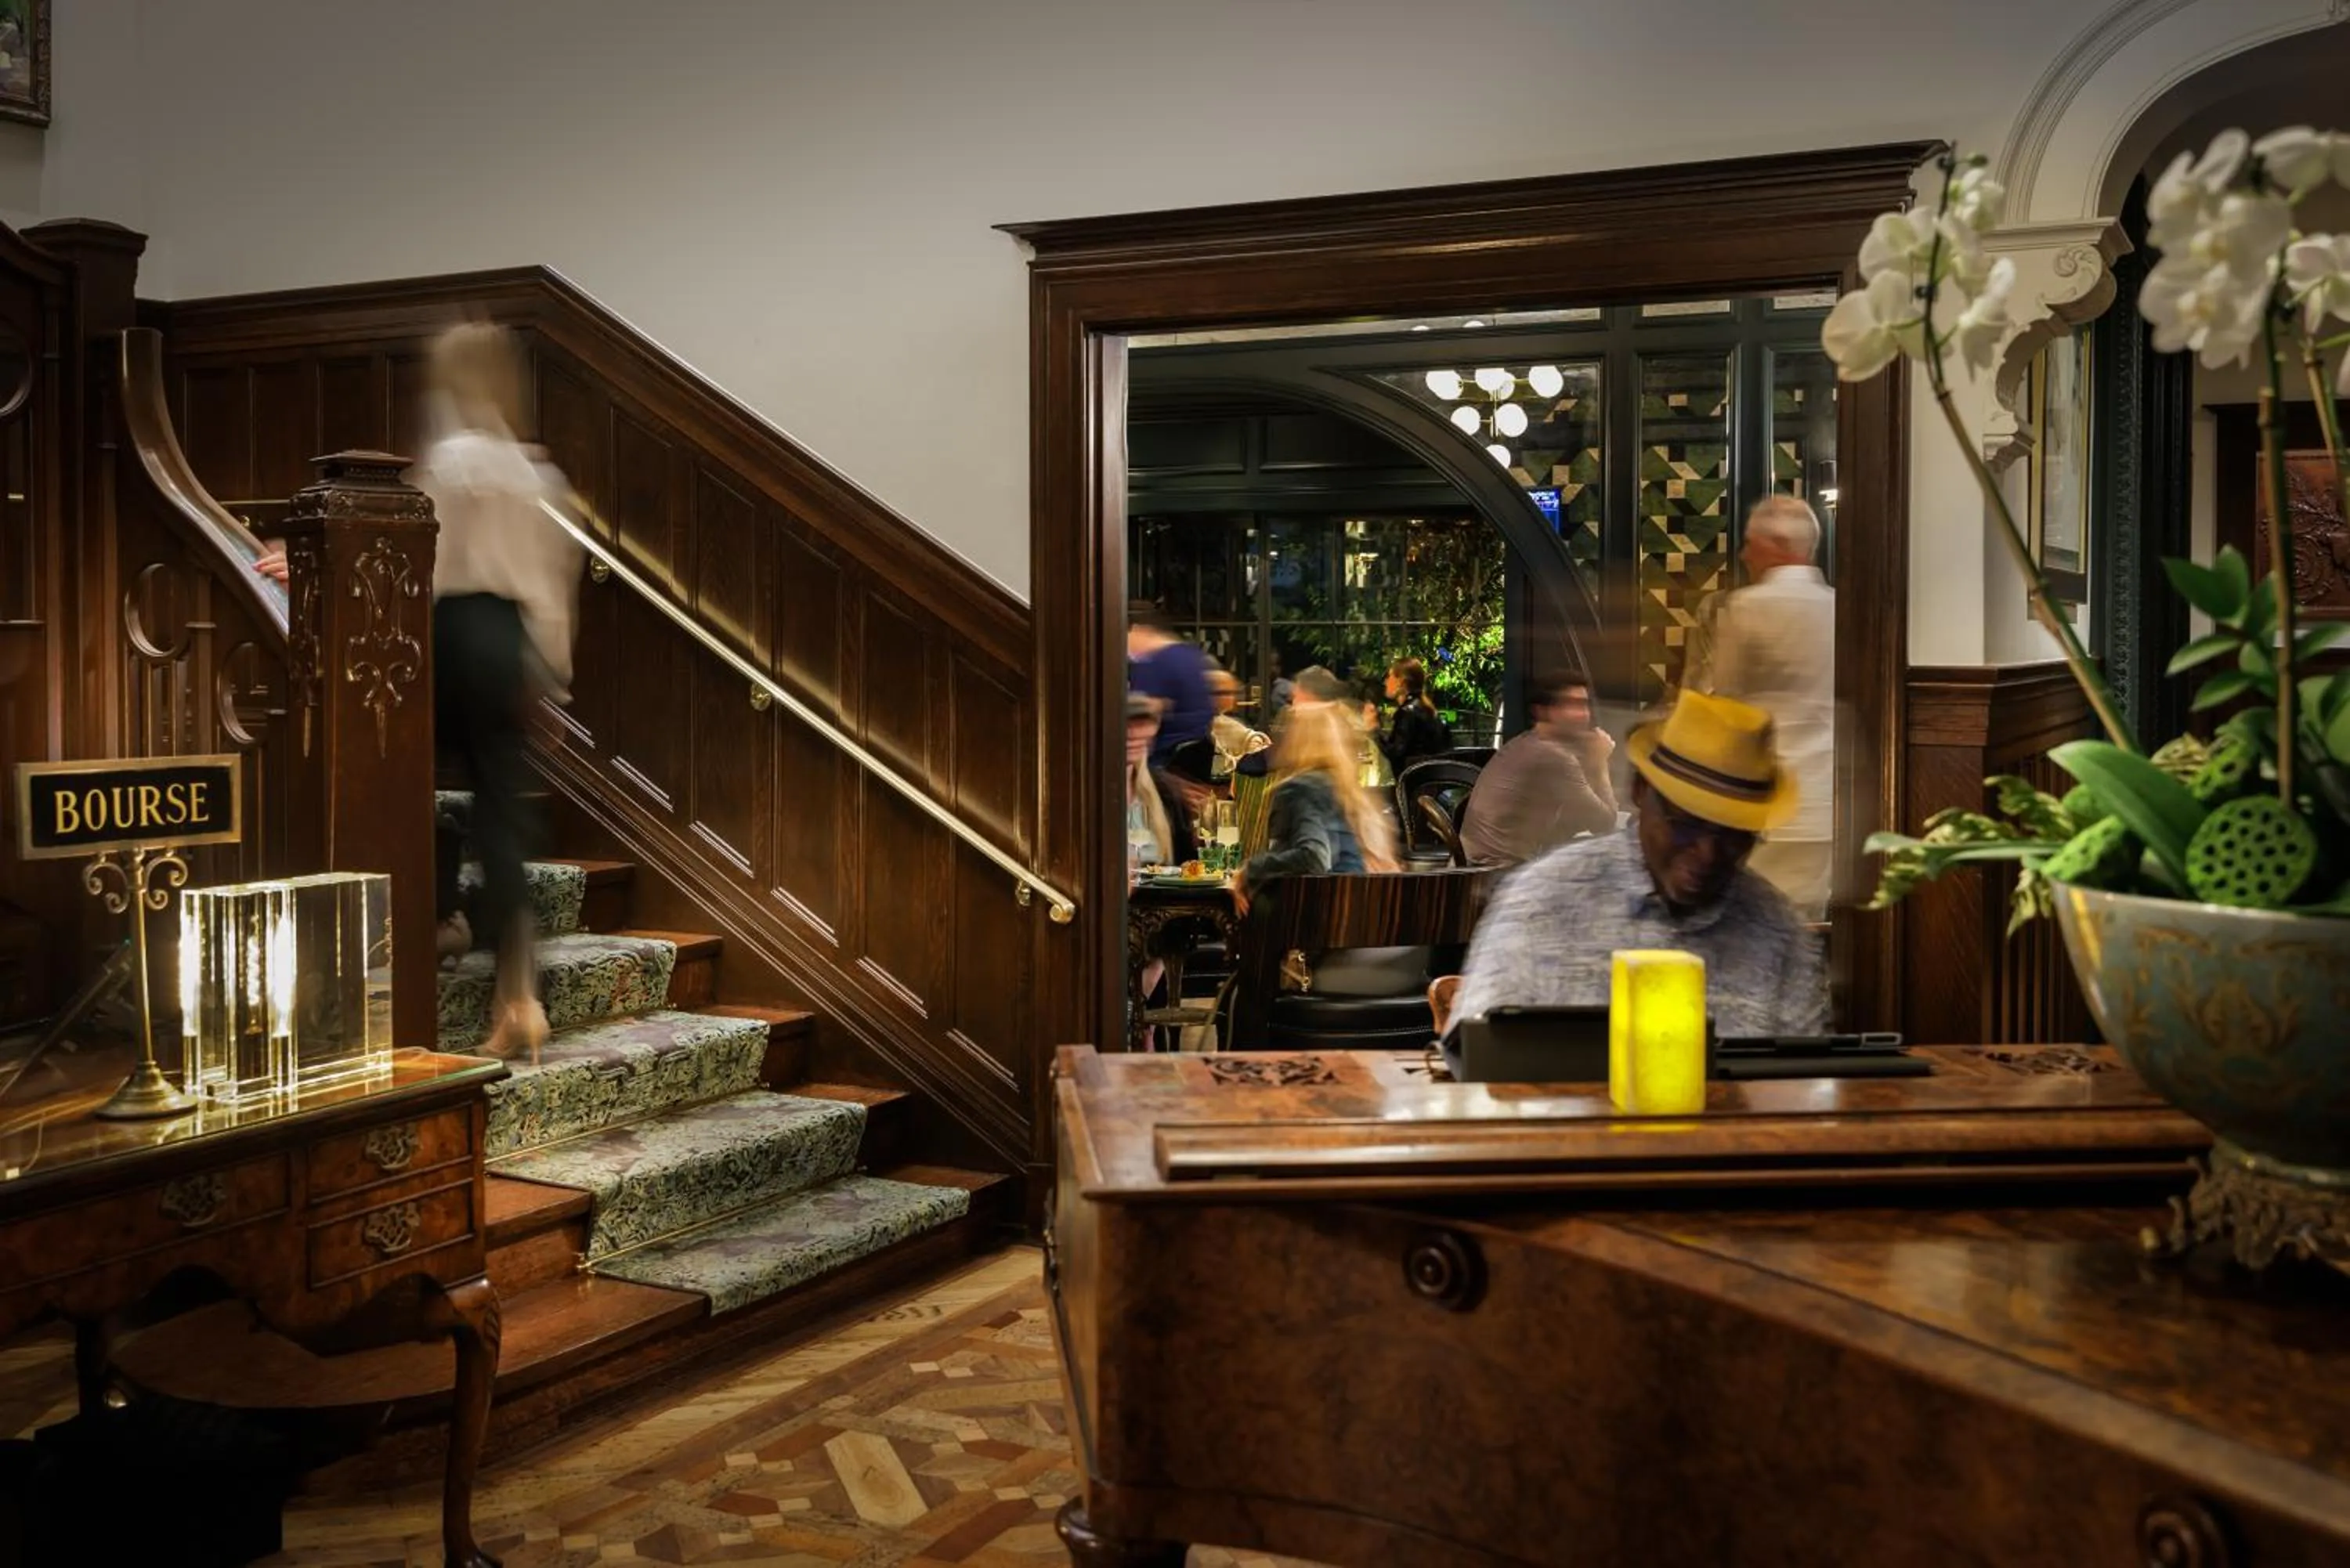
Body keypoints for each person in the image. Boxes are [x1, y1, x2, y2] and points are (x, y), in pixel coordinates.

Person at [1446, 689, 1827, 1038]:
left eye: (1734, 835)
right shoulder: (1543, 901)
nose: (1708, 854)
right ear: (1642, 793)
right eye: (1686, 825)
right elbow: (1476, 1059)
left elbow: (1802, 1086)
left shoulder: (1779, 932)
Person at [414, 323, 581, 1060]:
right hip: (509, 638)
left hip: (453, 626)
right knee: (499, 816)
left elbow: (422, 558)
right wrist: (547, 680)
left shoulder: (451, 463)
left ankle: (445, 915)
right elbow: (553, 589)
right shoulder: (537, 473)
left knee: (404, 781)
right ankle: (519, 996)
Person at [1684, 494, 1835, 919]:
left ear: (1775, 547)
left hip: (1766, 800)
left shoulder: (1747, 609)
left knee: (1757, 924)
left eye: (1749, 543)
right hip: (1826, 798)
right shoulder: (1839, 607)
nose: (1744, 554)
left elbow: (1729, 705)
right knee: (1810, 923)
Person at [1235, 701, 1422, 998]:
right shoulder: (1357, 796)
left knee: (1244, 988)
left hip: (1332, 960)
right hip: (1390, 957)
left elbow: (1313, 856)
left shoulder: (1299, 790)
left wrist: (1250, 871)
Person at [1460, 668, 1618, 868]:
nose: (1583, 715)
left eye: (1584, 705)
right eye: (1571, 705)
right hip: (1497, 876)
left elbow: (1566, 824)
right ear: (1543, 711)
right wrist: (1600, 762)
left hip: (1473, 868)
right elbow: (1605, 824)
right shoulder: (1554, 757)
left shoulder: (1526, 743)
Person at [1126, 606, 1215, 764]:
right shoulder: (1191, 655)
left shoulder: (1156, 662)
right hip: (1198, 758)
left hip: (1165, 762)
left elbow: (1142, 712)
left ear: (1138, 629)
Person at [1125, 693, 1198, 876]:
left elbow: (1188, 864)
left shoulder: (1165, 791)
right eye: (1128, 725)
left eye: (1141, 725)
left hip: (1160, 899)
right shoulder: (1084, 793)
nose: (1133, 733)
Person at [1375, 656, 1452, 775]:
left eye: (1390, 676)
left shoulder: (1408, 712)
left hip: (1414, 786)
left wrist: (1374, 731)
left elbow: (1396, 753)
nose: (1386, 682)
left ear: (1401, 682)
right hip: (1429, 785)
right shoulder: (1427, 709)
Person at [1206, 667, 1271, 779]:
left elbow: (1251, 738)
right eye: (1224, 693)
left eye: (1233, 692)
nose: (1232, 697)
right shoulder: (1198, 724)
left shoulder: (1225, 723)